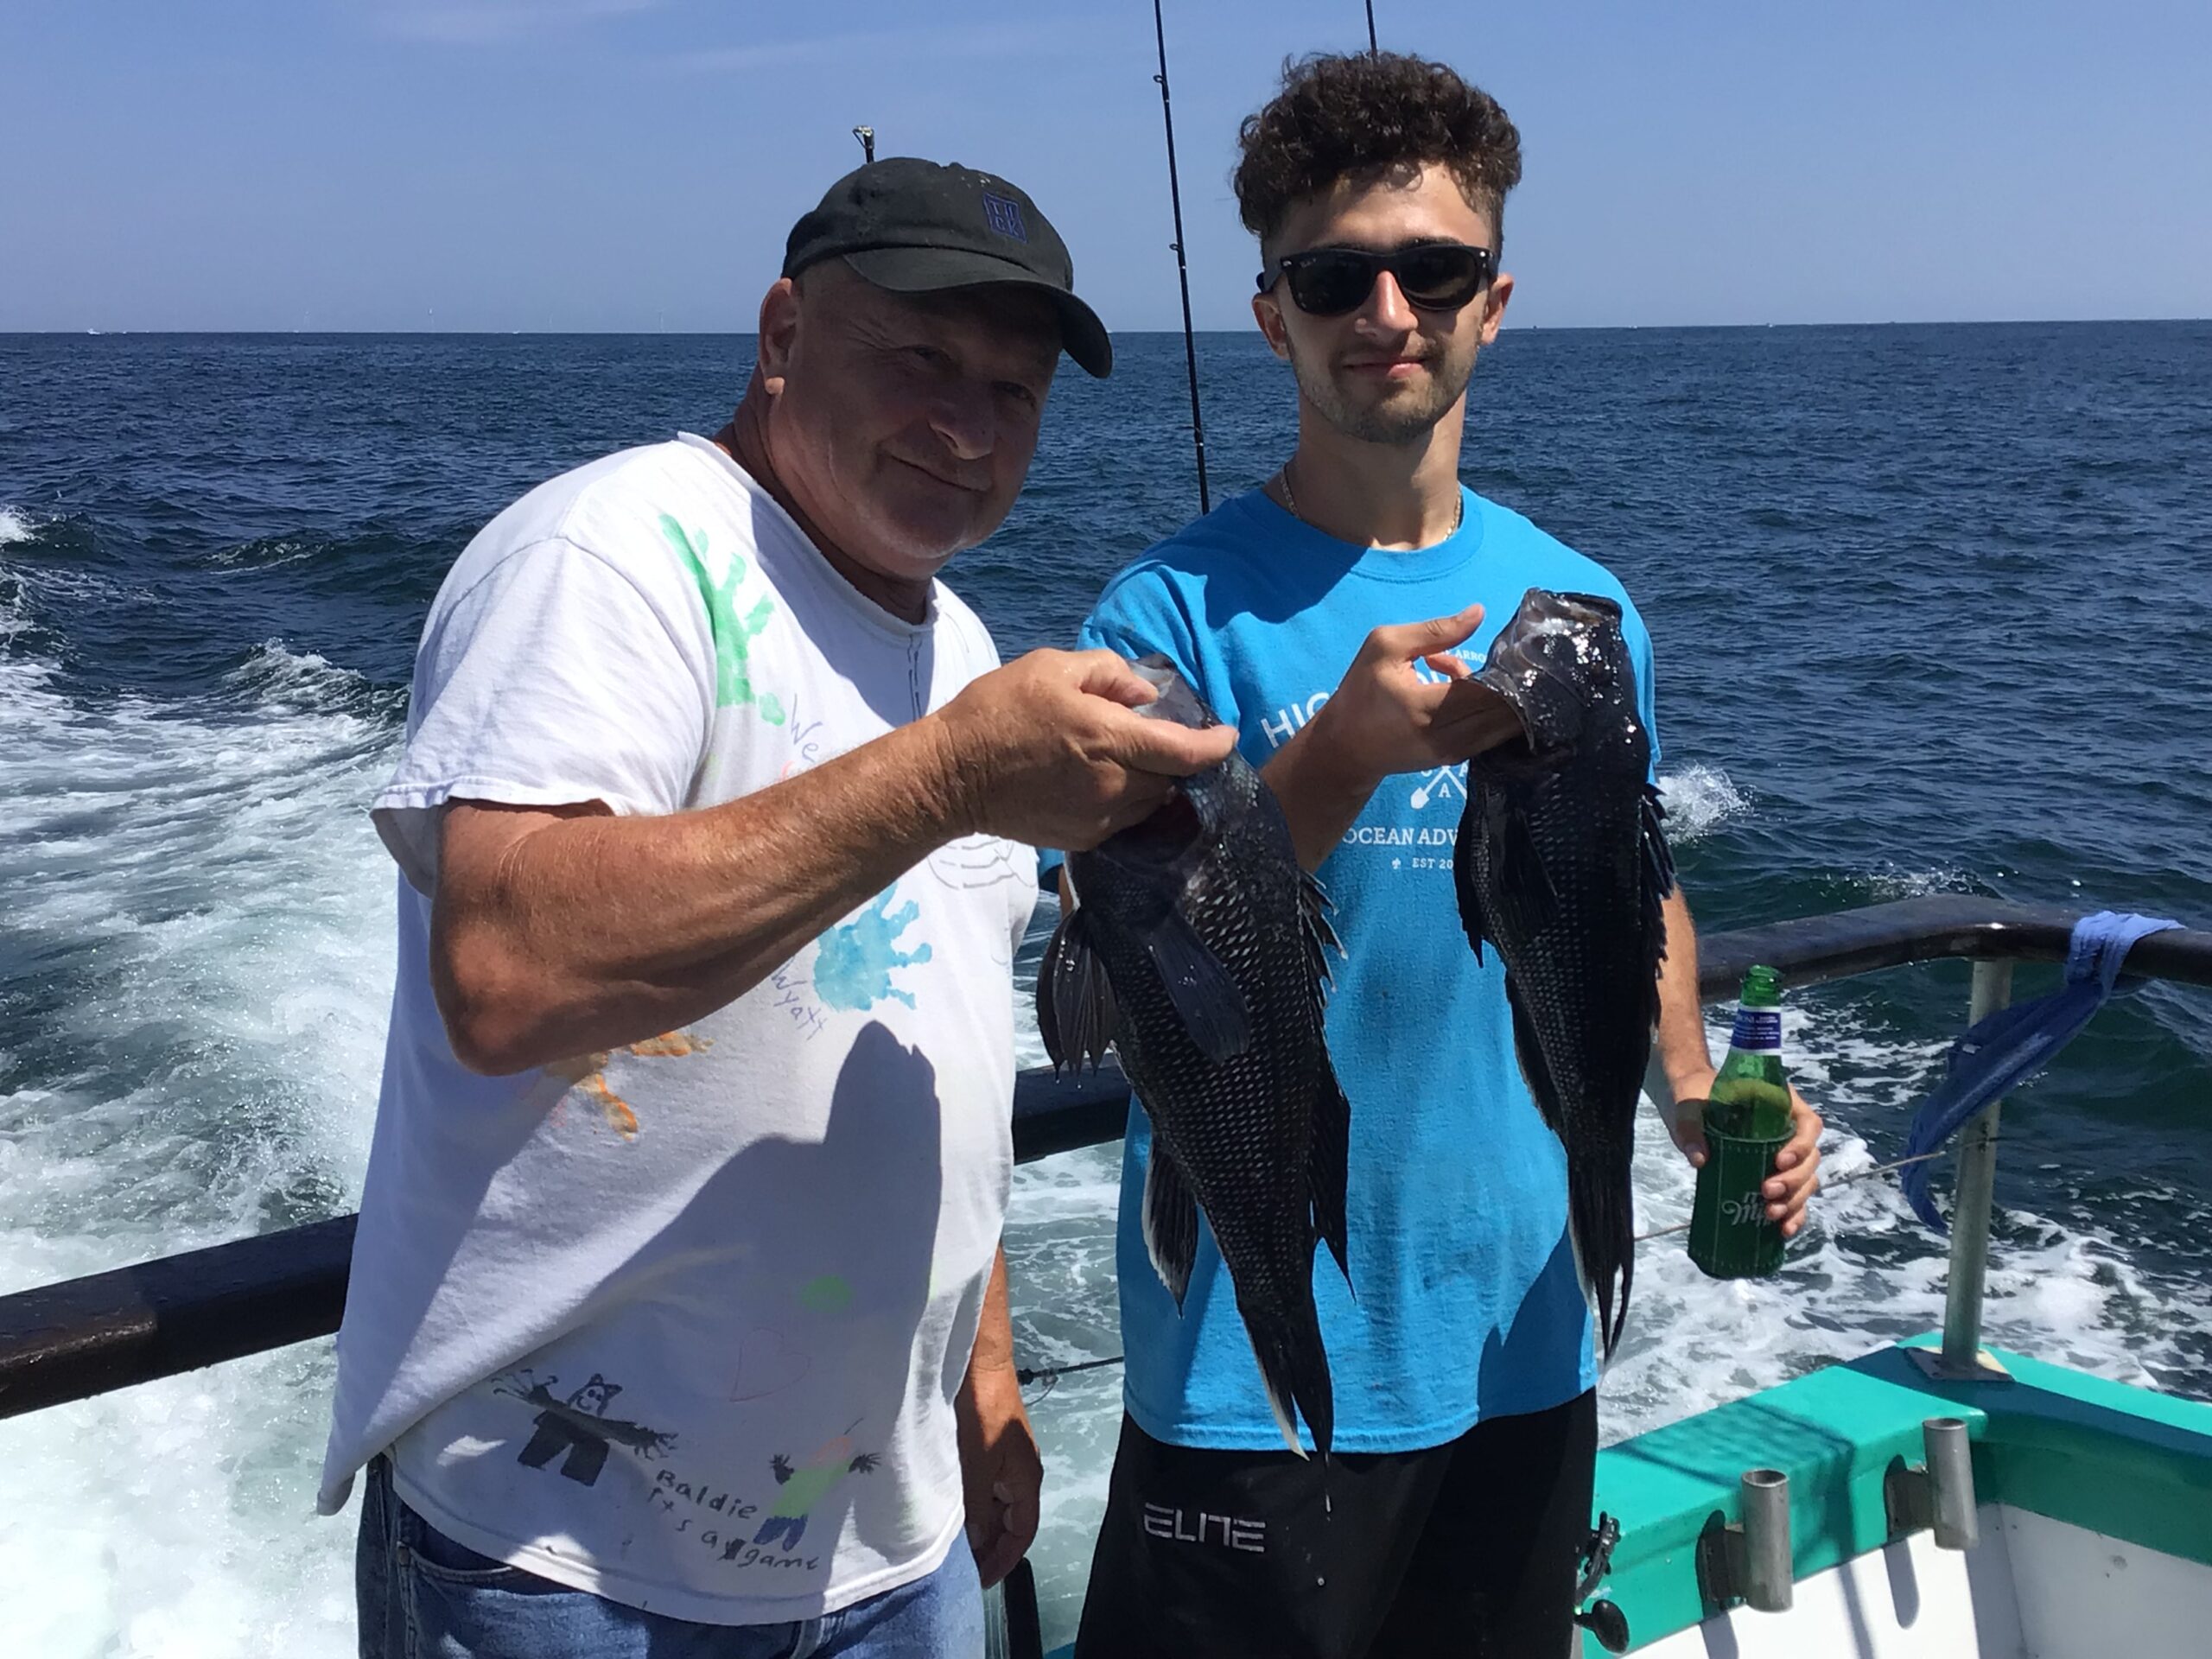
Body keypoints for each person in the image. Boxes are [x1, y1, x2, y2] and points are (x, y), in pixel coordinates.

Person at [317, 156, 1237, 1659]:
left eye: (1012, 392)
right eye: (920, 357)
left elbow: (935, 1045)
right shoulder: (610, 553)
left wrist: (983, 1377)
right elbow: (506, 967)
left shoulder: (966, 651)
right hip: (562, 1567)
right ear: (784, 335)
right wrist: (949, 775)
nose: (967, 426)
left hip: (892, 1547)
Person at [1069, 54, 1824, 1658]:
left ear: (1496, 302)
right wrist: (1339, 756)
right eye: (1334, 277)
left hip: (1521, 1345)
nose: (1389, 310)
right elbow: (1143, 944)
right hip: (1254, 1363)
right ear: (1270, 315)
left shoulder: (1582, 610)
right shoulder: (1166, 618)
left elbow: (1629, 885)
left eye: (1435, 268)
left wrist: (1692, 1096)